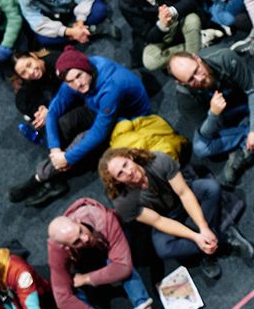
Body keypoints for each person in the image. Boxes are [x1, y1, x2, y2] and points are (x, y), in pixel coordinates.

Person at [9, 44, 153, 203]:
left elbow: (99, 133)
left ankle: (38, 179)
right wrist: (55, 149)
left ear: (85, 68)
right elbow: (53, 112)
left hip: (126, 117)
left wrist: (67, 158)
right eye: (70, 81)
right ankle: (54, 174)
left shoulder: (110, 87)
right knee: (62, 124)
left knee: (82, 141)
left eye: (79, 77)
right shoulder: (72, 73)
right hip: (94, 106)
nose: (77, 84)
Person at [100, 146, 253, 280]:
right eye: (120, 174)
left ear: (130, 157)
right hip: (165, 216)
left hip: (180, 197)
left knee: (211, 187)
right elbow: (158, 221)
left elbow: (184, 193)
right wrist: (196, 237)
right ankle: (221, 241)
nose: (128, 172)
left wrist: (203, 228)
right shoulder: (122, 202)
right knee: (163, 248)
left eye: (126, 164)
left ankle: (209, 240)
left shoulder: (158, 160)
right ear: (116, 181)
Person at [169, 48, 254, 185]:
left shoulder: (224, 57)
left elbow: (252, 89)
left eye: (197, 70)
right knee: (200, 148)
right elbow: (205, 132)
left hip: (243, 97)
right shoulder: (184, 98)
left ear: (197, 58)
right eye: (191, 79)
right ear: (181, 83)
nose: (200, 78)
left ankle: (245, 151)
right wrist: (213, 114)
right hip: (223, 117)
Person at [119, 0, 204, 70]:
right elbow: (147, 34)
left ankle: (191, 67)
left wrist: (171, 11)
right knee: (150, 60)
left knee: (192, 20)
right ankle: (198, 43)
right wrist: (162, 24)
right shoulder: (126, 4)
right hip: (160, 34)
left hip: (179, 20)